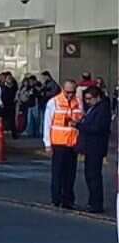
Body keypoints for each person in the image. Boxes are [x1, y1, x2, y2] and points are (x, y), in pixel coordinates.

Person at [43, 78, 83, 209]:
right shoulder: (54, 102)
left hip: (72, 144)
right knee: (58, 173)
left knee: (70, 175)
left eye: (72, 92)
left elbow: (81, 122)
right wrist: (47, 144)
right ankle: (56, 199)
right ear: (62, 89)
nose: (70, 95)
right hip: (58, 143)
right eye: (67, 92)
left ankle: (68, 200)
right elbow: (47, 124)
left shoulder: (78, 103)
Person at [76, 86, 111, 214]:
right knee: (89, 175)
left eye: (89, 99)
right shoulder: (94, 108)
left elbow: (97, 128)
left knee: (94, 176)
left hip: (96, 147)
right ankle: (92, 202)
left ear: (97, 97)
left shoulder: (102, 109)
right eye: (86, 99)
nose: (87, 101)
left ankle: (96, 204)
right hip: (90, 147)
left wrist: (80, 125)